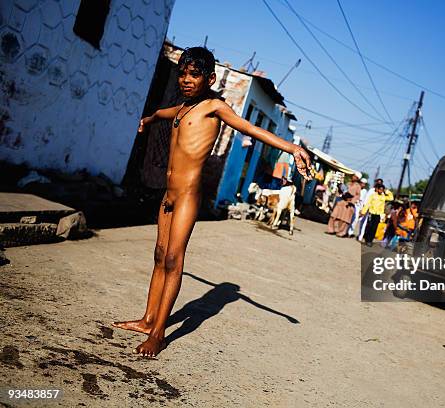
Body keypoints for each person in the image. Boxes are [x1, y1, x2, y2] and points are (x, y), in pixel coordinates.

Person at [113, 47, 312, 357]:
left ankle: (159, 333)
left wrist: (292, 148)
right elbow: (164, 113)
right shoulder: (181, 109)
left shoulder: (214, 107)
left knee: (173, 260)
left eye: (194, 74)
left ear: (210, 78)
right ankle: (147, 319)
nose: (186, 80)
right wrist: (148, 118)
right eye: (182, 74)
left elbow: (250, 128)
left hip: (188, 196)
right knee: (158, 255)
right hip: (168, 195)